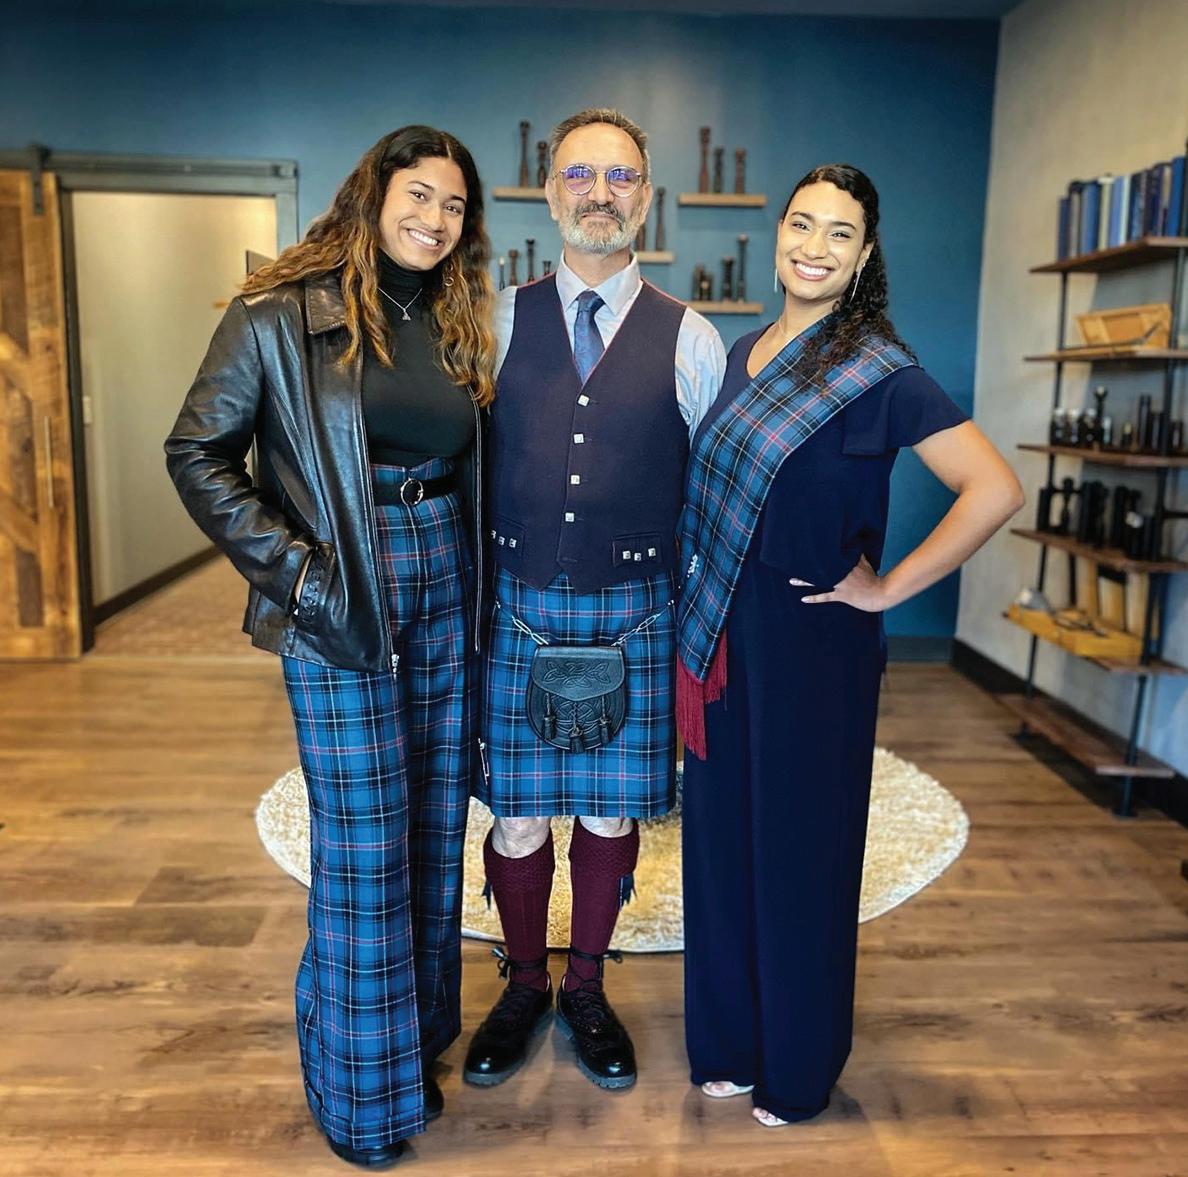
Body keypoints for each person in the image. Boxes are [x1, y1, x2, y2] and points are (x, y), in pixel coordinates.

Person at [165, 125, 494, 1169]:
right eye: (419, 195)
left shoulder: (455, 318)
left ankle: (413, 1046)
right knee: (362, 846)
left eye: (453, 205)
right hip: (340, 587)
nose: (435, 219)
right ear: (373, 195)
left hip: (445, 571)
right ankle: (360, 1099)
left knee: (436, 821)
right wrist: (300, 577)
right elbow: (197, 451)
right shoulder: (275, 314)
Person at [676, 163, 1024, 1127]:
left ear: (865, 256)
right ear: (779, 234)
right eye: (802, 224)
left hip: (814, 650)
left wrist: (890, 587)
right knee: (721, 842)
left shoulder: (883, 373)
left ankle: (796, 1066)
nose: (814, 246)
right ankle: (728, 1041)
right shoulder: (741, 353)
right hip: (720, 637)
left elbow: (994, 489)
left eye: (839, 233)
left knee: (802, 854)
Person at [464, 107, 725, 1092]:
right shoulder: (492, 320)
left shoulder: (692, 337)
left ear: (645, 198)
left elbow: (714, 489)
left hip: (639, 610)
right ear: (550, 193)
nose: (600, 193)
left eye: (620, 177)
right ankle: (524, 983)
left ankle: (585, 986)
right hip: (516, 604)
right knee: (519, 818)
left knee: (612, 818)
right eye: (580, 175)